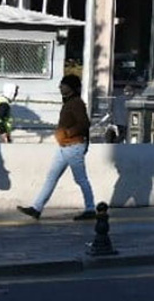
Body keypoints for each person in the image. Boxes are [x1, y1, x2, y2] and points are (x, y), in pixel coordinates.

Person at [17, 74, 96, 221]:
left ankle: (91, 209)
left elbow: (84, 123)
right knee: (51, 177)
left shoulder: (76, 103)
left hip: (73, 146)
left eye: (63, 84)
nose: (60, 87)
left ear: (71, 87)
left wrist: (67, 133)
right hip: (65, 146)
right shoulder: (69, 102)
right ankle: (36, 208)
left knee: (81, 179)